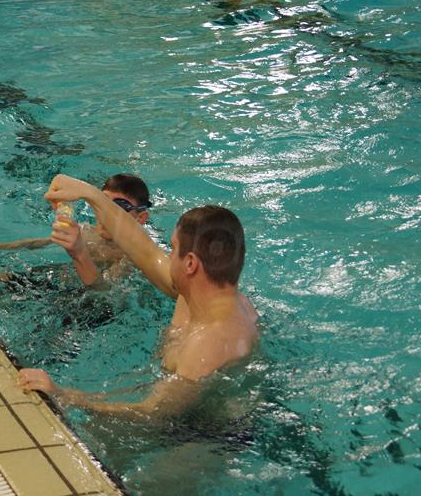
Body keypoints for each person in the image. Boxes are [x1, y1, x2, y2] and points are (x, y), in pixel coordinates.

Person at [18, 174, 258, 418]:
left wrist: (62, 394)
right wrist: (89, 193)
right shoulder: (200, 293)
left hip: (203, 431)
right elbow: (143, 247)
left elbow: (152, 413)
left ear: (190, 264)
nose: (168, 256)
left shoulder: (207, 344)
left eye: (173, 249)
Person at [0, 174, 153, 286]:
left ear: (141, 218)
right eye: (103, 203)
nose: (108, 214)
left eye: (120, 207)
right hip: (56, 281)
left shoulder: (133, 257)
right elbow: (28, 244)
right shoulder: (85, 230)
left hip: (84, 307)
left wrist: (79, 253)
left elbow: (103, 293)